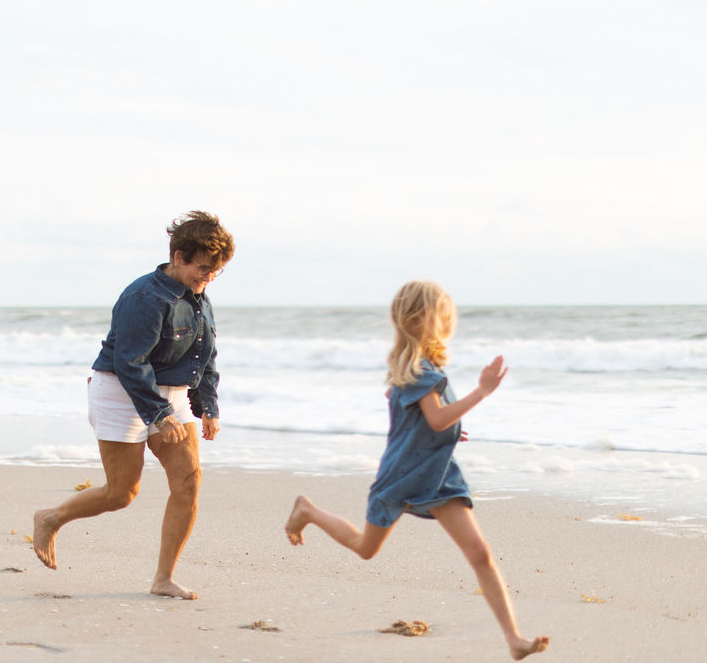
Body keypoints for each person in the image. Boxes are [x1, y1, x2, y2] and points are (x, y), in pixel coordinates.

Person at [284, 281, 549, 660]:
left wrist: (453, 429)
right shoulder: (420, 370)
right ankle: (307, 511)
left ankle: (514, 640)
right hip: (403, 476)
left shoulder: (421, 368)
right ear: (421, 320)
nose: (448, 322)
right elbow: (438, 419)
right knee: (366, 549)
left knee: (480, 554)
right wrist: (482, 392)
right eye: (443, 315)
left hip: (439, 476)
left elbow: (430, 422)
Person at [33, 210, 234, 600]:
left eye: (216, 271)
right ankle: (51, 518)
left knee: (189, 483)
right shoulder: (144, 296)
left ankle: (163, 579)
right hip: (121, 392)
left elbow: (205, 355)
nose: (208, 277)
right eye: (203, 268)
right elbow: (130, 362)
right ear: (178, 256)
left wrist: (207, 406)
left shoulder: (198, 298)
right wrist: (157, 415)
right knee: (121, 493)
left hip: (168, 393)